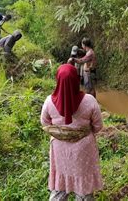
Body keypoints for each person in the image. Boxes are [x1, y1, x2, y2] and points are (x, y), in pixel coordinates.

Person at [40, 64, 103, 201]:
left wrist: (61, 131)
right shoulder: (89, 101)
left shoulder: (49, 102)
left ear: (57, 80)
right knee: (84, 187)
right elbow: (98, 126)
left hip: (59, 149)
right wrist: (81, 130)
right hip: (84, 149)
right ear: (76, 79)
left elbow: (45, 124)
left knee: (59, 185)